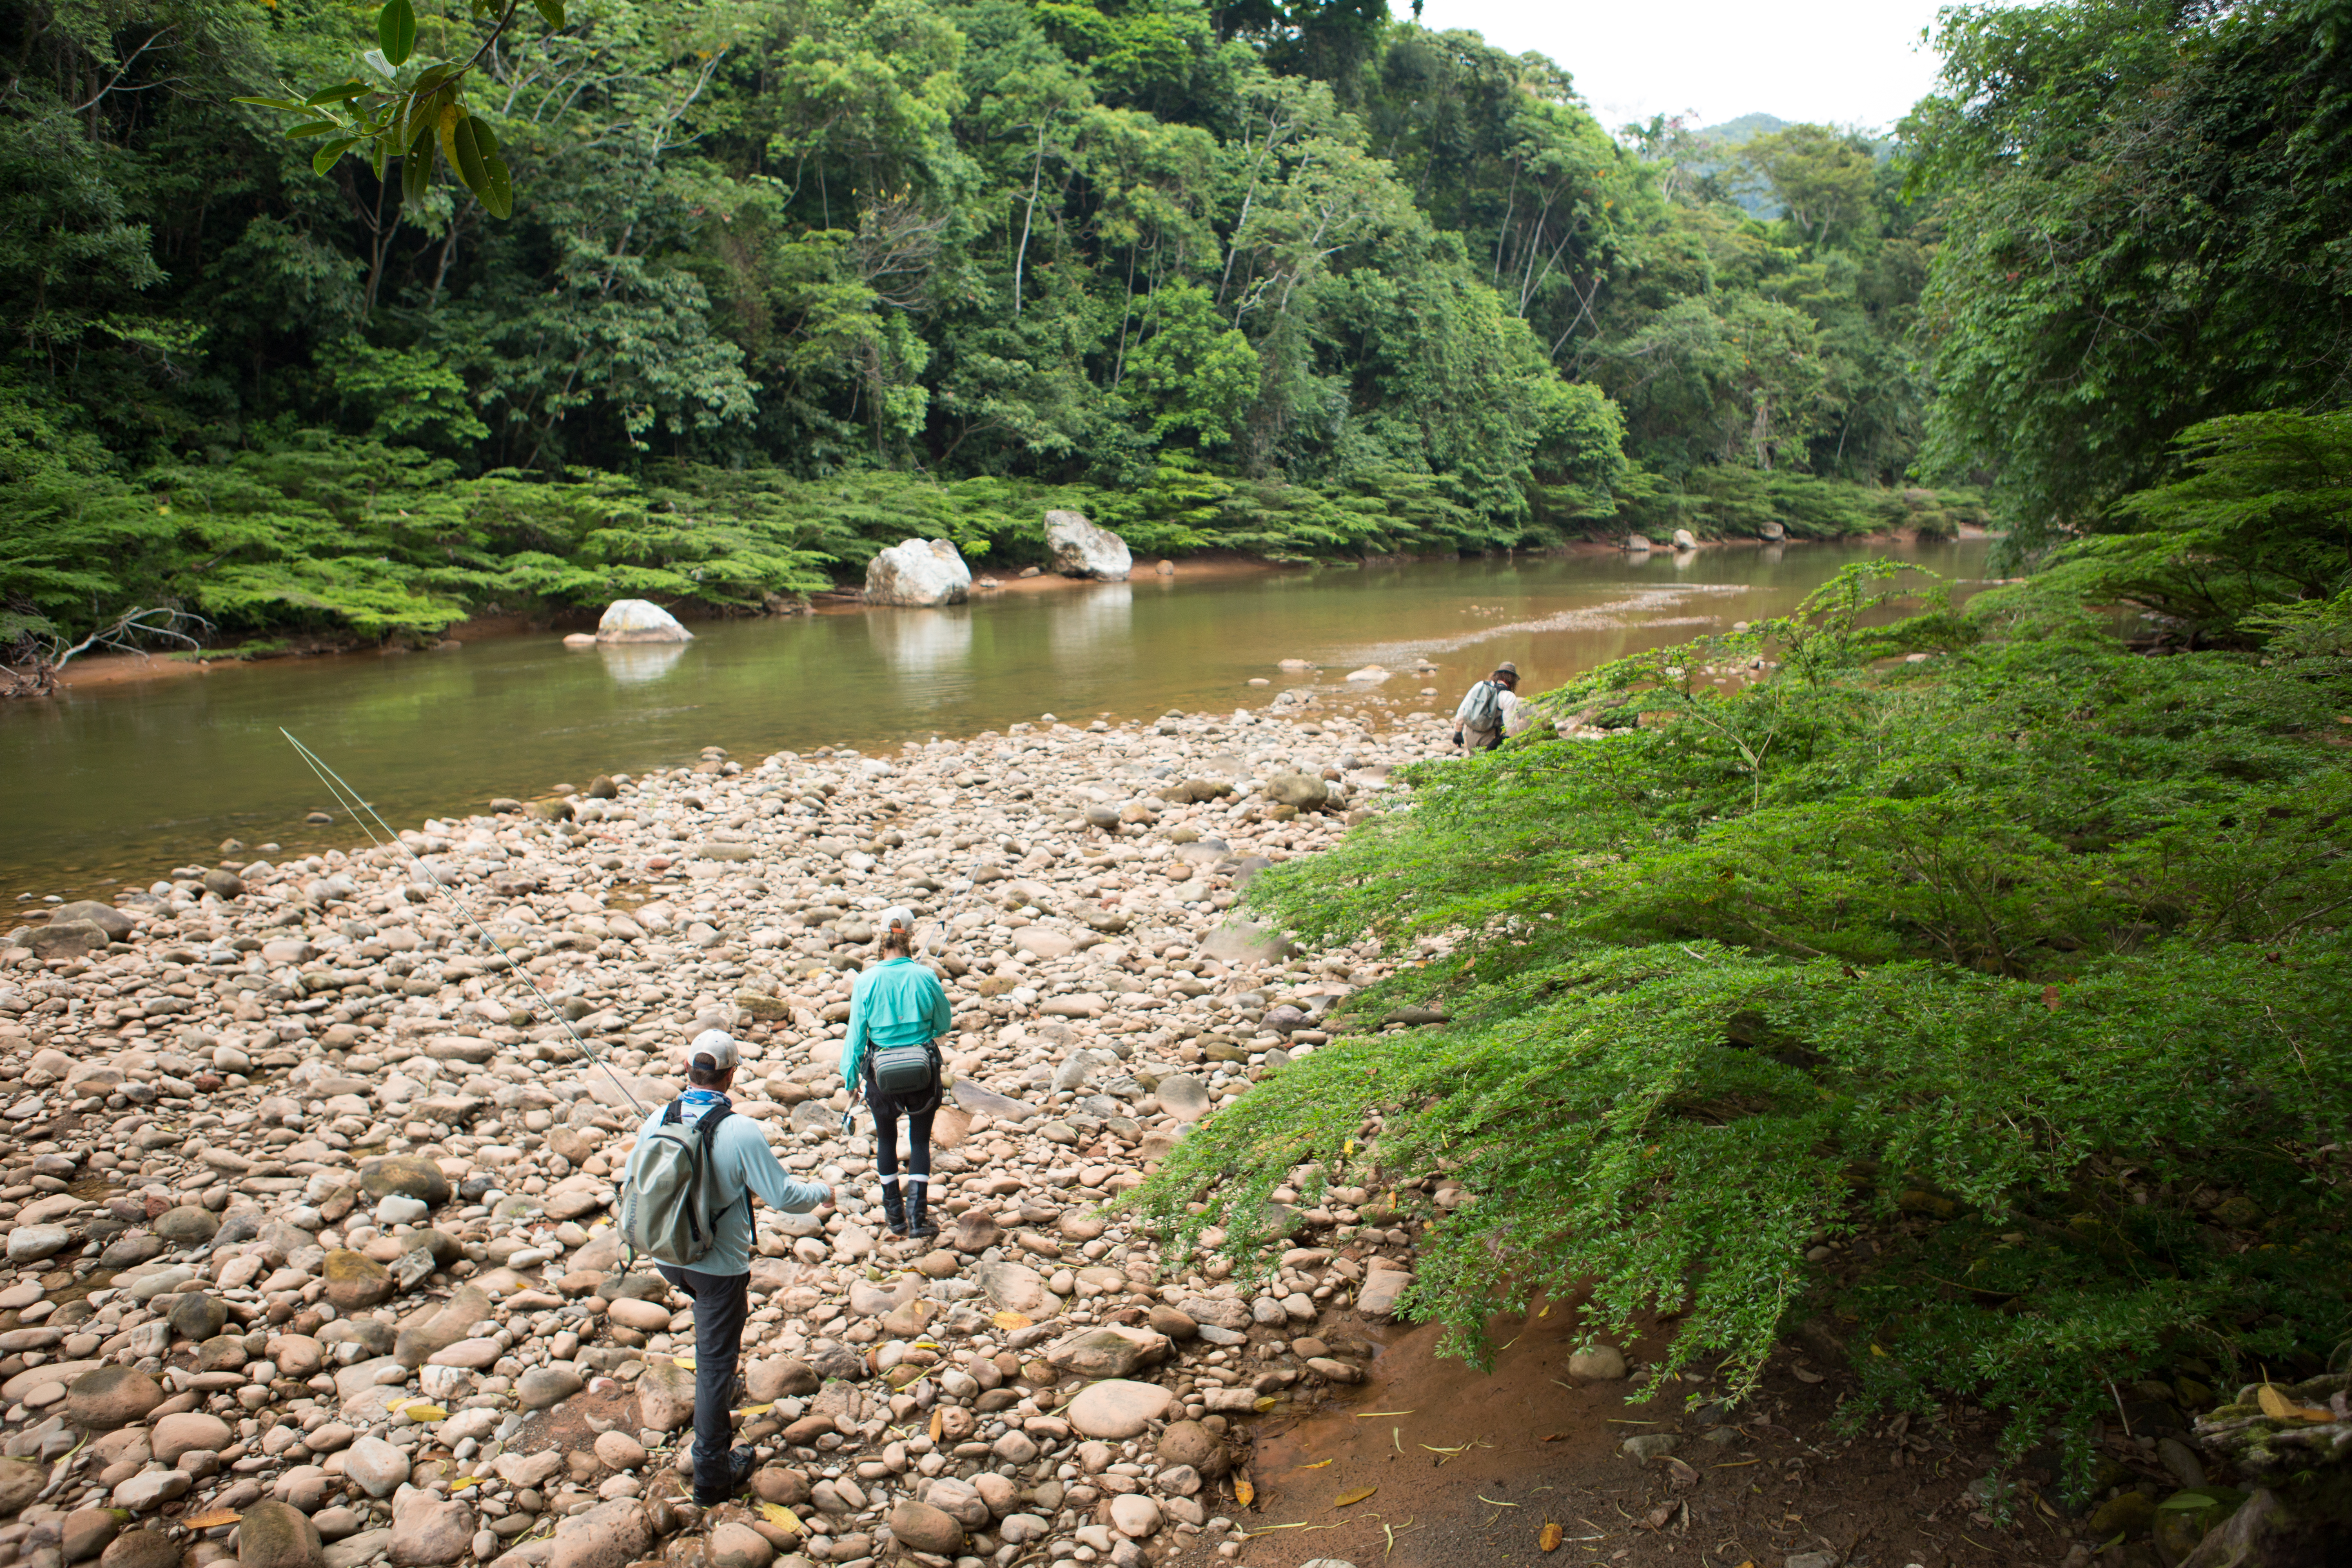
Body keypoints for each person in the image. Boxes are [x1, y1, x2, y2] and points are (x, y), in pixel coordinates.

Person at [623, 1029, 832, 1507]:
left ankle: (716, 1405)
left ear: (687, 1072)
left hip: (667, 1256)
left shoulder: (658, 1116)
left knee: (713, 1340)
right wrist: (823, 1190)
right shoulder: (739, 1130)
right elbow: (784, 1198)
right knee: (714, 1364)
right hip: (718, 1266)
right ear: (732, 1074)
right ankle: (713, 1474)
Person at [842, 906, 952, 1239]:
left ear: (881, 937)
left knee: (887, 1138)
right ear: (911, 936)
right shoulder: (925, 976)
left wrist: (851, 1081)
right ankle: (919, 1218)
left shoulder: (866, 981)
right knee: (919, 1141)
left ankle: (895, 1218)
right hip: (923, 1073)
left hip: (881, 1076)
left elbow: (856, 1036)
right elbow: (943, 1024)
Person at [1452, 661, 1520, 751]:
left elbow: (1463, 710)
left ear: (1497, 675)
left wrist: (1458, 732)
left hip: (1471, 734)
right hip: (1491, 739)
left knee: (1474, 764)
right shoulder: (1509, 696)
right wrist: (1516, 742)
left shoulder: (1480, 685)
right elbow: (1510, 725)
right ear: (1513, 680)